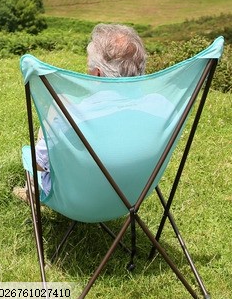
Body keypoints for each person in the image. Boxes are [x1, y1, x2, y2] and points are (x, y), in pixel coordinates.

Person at [13, 23, 147, 202]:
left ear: (98, 74)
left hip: (78, 200)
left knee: (50, 125)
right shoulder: (159, 107)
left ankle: (31, 192)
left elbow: (37, 163)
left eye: (88, 68)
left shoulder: (71, 115)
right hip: (132, 192)